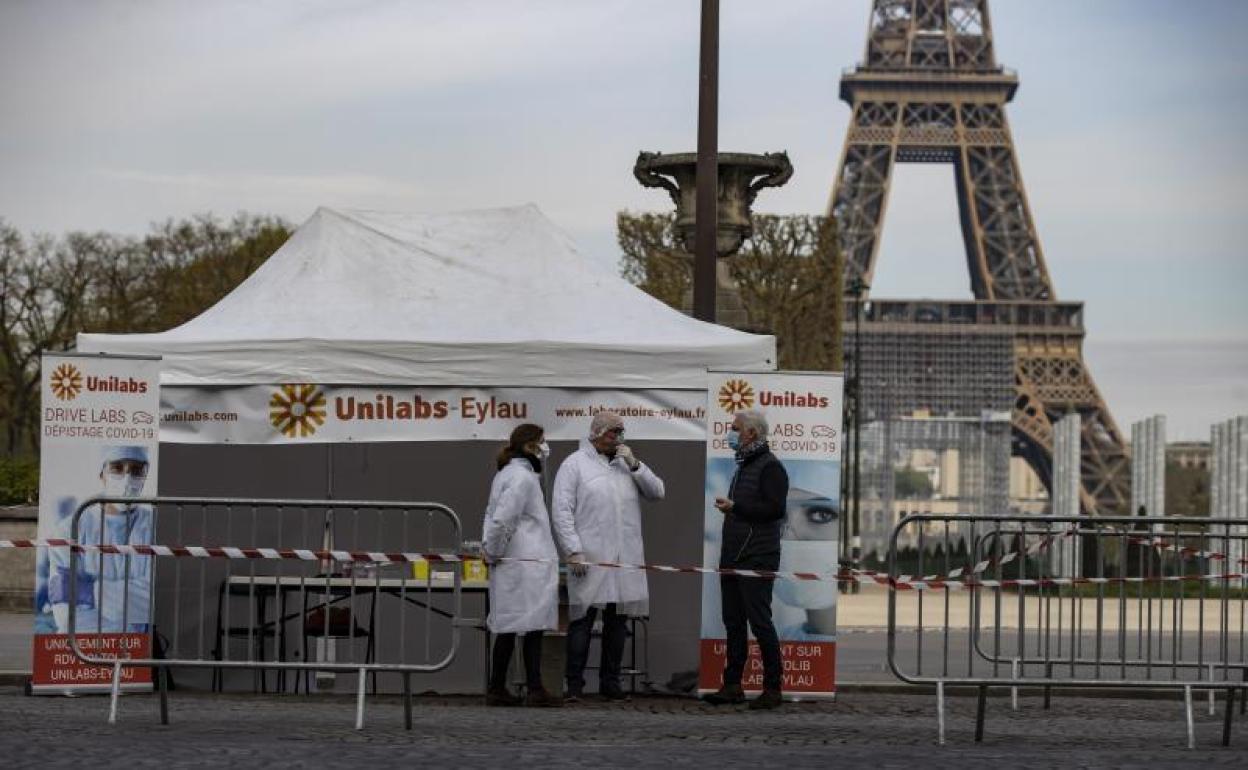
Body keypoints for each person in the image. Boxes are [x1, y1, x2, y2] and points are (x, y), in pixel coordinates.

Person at [551, 411, 665, 702]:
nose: (619, 438)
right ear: (597, 433)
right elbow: (561, 510)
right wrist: (572, 549)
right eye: (614, 432)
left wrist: (635, 464)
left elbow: (657, 492)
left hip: (624, 557)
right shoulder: (574, 465)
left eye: (622, 432)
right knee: (582, 622)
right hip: (589, 556)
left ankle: (610, 683)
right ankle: (574, 685)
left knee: (618, 623)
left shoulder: (626, 465)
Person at [705, 408, 789, 710]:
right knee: (733, 623)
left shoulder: (771, 467)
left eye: (735, 428)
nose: (730, 433)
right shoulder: (743, 465)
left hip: (757, 557)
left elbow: (775, 510)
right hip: (733, 555)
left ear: (752, 433)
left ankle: (772, 688)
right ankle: (732, 685)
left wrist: (735, 507)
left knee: (760, 622)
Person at [481, 424, 562, 707]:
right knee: (531, 625)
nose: (546, 447)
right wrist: (492, 551)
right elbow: (503, 519)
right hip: (525, 561)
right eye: (543, 441)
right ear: (530, 446)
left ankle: (498, 687)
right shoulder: (522, 479)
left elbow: (493, 517)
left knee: (511, 624)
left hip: (518, 561)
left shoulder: (508, 474)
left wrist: (492, 551)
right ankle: (533, 688)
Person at [49, 445, 154, 634]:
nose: (127, 479)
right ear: (102, 474)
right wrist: (131, 612)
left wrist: (89, 593)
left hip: (137, 650)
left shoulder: (155, 526)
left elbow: (153, 600)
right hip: (79, 652)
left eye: (137, 470)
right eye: (117, 468)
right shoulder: (70, 529)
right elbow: (66, 617)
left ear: (146, 476)